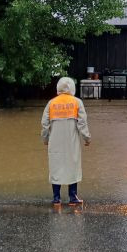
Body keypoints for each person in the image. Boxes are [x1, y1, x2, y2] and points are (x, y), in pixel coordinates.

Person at [41, 77, 91, 205]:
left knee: (56, 167)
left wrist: (45, 138)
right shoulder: (77, 102)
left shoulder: (51, 103)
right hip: (71, 141)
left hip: (55, 141)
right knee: (72, 166)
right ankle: (72, 197)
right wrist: (86, 138)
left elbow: (45, 124)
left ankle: (56, 198)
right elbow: (82, 123)